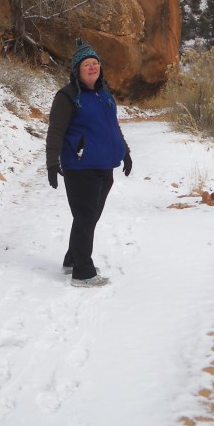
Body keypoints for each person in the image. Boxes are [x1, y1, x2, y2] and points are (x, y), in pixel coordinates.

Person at [46, 39, 132, 287]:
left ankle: (73, 258)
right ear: (77, 70)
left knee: (89, 217)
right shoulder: (67, 96)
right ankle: (82, 272)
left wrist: (125, 152)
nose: (93, 67)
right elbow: (56, 131)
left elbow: (112, 126)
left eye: (95, 63)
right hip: (81, 167)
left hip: (105, 165)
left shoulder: (103, 93)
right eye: (87, 64)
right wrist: (52, 163)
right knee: (85, 217)